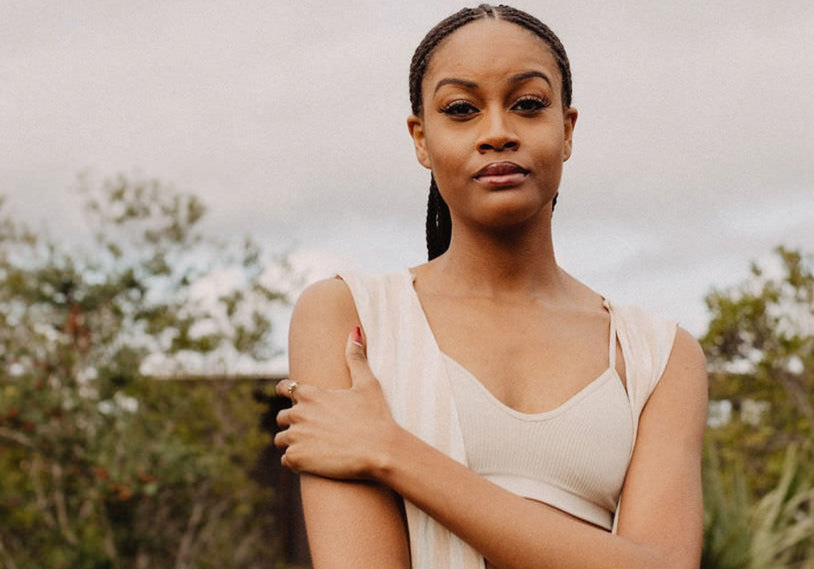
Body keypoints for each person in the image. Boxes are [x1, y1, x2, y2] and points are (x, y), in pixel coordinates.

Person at [273, 5, 707, 568]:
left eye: (528, 105)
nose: (497, 132)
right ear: (421, 139)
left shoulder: (658, 355)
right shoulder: (349, 316)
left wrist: (392, 453)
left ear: (567, 130)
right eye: (461, 109)